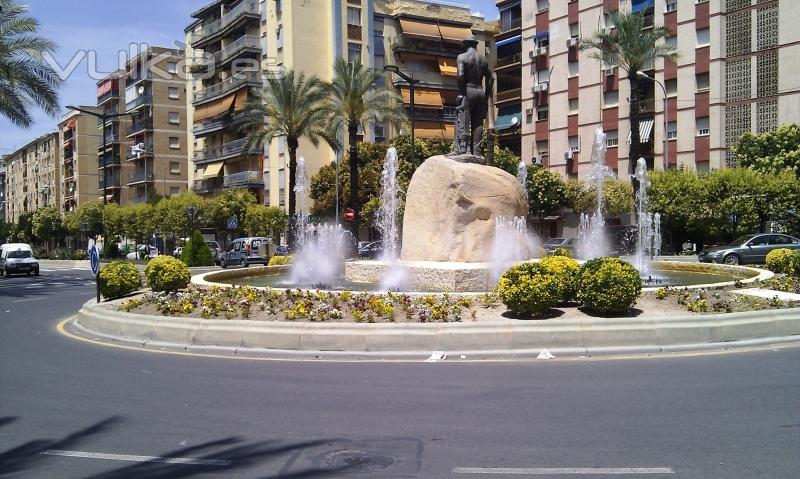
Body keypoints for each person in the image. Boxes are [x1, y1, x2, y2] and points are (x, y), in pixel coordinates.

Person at [456, 34, 494, 156]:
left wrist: (462, 93)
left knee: (464, 119)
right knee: (478, 123)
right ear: (476, 45)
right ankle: (476, 152)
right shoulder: (483, 60)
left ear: (466, 44)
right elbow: (491, 78)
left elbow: (461, 75)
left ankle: (464, 150)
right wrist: (487, 95)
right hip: (480, 91)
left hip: (469, 90)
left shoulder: (462, 57)